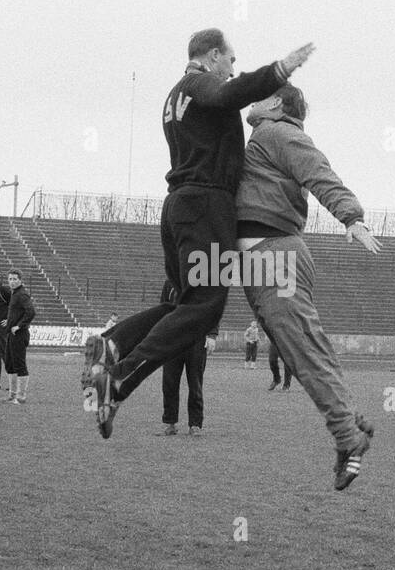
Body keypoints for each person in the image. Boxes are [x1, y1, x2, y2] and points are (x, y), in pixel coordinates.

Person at [81, 30, 314, 438]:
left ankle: (111, 344)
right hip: (205, 207)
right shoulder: (199, 83)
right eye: (230, 60)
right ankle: (117, 379)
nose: (233, 69)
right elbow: (230, 95)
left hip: (180, 206)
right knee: (205, 306)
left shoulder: (175, 95)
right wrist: (279, 70)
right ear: (212, 56)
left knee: (182, 304)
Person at [235, 82, 382, 490]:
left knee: (304, 353)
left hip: (275, 257)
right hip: (263, 258)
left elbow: (319, 171)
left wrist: (351, 217)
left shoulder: (277, 132)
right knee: (309, 348)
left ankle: (347, 437)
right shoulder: (264, 137)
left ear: (277, 104)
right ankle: (351, 421)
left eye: (260, 95)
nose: (251, 99)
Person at [159, 279, 217, 436]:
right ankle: (170, 423)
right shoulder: (170, 282)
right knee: (169, 382)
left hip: (196, 339)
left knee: (195, 383)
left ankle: (195, 424)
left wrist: (212, 334)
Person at [3, 269, 36, 404]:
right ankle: (12, 394)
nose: (12, 281)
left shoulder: (22, 294)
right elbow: (18, 312)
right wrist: (9, 321)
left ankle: (21, 396)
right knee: (10, 364)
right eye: (10, 279)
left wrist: (19, 325)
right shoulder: (14, 294)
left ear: (20, 280)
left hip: (19, 335)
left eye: (15, 279)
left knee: (19, 364)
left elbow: (31, 312)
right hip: (11, 334)